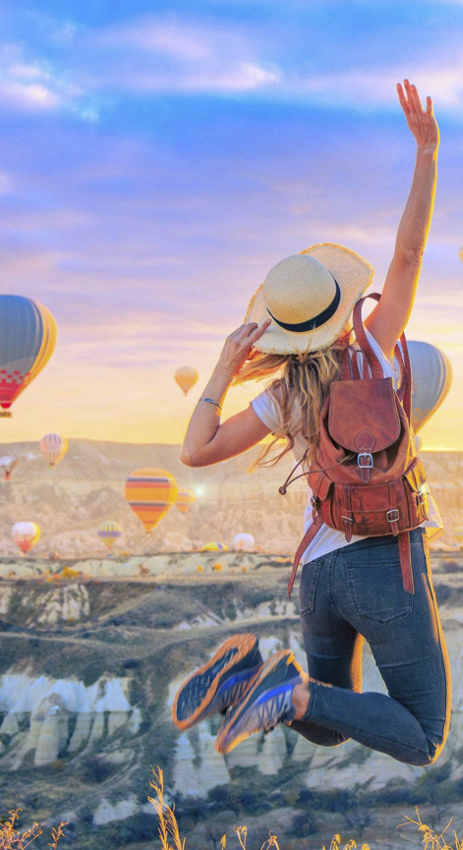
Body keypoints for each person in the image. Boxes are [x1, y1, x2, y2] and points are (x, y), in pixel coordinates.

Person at [173, 78, 448, 767]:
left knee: (328, 716)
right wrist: (427, 154)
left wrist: (223, 366)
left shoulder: (283, 396)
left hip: (319, 573)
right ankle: (283, 694)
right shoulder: (376, 349)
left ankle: (251, 678)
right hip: (385, 559)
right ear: (339, 305)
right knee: (421, 734)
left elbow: (196, 451)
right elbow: (408, 255)